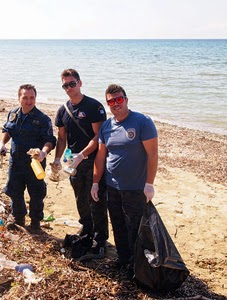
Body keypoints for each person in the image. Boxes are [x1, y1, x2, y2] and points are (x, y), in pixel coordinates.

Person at [91, 84, 158, 275]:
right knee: (118, 224)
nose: (115, 104)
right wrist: (96, 182)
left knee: (135, 228)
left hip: (136, 188)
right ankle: (123, 258)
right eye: (111, 101)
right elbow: (101, 156)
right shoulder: (107, 126)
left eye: (119, 99)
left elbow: (152, 155)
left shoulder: (142, 122)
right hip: (112, 186)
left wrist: (149, 183)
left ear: (126, 100)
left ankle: (138, 265)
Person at [52, 68, 109, 257]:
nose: (68, 88)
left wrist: (82, 155)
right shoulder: (63, 110)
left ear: (80, 83)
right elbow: (61, 138)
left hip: (93, 159)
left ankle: (100, 241)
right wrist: (58, 159)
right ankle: (87, 228)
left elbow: (98, 137)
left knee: (96, 199)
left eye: (72, 84)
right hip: (73, 162)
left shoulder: (93, 106)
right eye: (65, 85)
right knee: (80, 197)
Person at [0, 84, 56, 232]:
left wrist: (43, 152)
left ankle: (35, 222)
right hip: (15, 161)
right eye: (25, 98)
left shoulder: (43, 119)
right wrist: (2, 143)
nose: (29, 101)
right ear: (19, 98)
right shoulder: (13, 114)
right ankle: (18, 218)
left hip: (35, 164)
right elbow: (7, 130)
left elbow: (50, 140)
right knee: (14, 190)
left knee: (36, 193)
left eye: (32, 98)